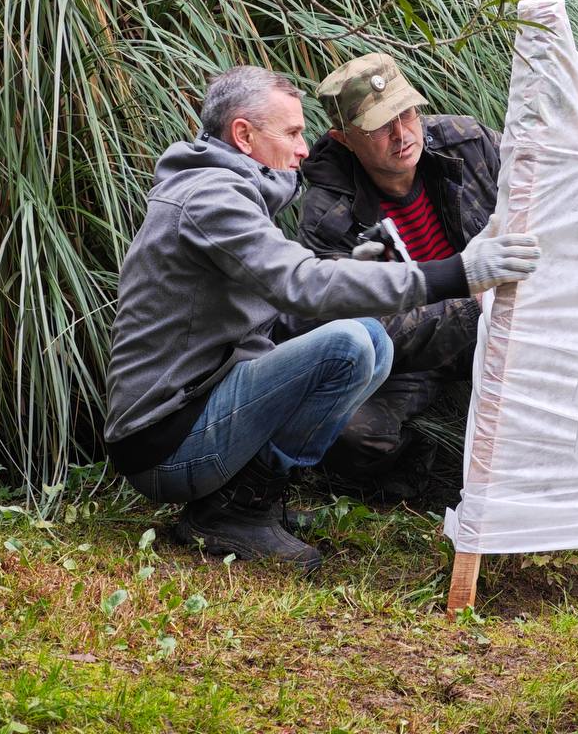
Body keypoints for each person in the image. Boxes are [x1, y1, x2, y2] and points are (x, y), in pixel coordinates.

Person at [105, 66, 539, 571]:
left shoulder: (232, 191)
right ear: (243, 136)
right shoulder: (210, 199)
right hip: (165, 446)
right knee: (351, 344)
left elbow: (282, 318)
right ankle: (235, 513)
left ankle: (241, 500)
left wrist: (349, 274)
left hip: (202, 410)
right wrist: (455, 275)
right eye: (291, 133)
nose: (304, 148)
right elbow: (302, 285)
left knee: (367, 340)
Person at [297, 53, 500, 500]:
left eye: (406, 112)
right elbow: (372, 329)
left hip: (504, 318)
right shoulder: (327, 217)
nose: (402, 134)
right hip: (409, 359)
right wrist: (473, 306)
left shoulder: (468, 142)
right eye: (378, 126)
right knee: (349, 433)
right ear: (344, 139)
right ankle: (429, 460)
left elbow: (543, 195)